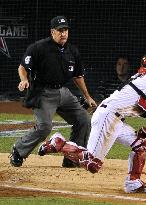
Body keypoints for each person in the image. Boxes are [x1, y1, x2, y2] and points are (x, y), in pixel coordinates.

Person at [37, 51, 146, 193]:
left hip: (116, 119)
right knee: (92, 164)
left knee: (140, 145)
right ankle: (59, 143)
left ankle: (133, 183)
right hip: (108, 117)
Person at [9, 16, 97, 168]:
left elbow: (78, 76)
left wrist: (87, 96)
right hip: (42, 93)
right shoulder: (39, 48)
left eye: (66, 30)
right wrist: (24, 80)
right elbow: (22, 67)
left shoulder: (72, 51)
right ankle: (19, 150)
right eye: (60, 30)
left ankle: (72, 156)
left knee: (83, 120)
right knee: (44, 127)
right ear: (52, 32)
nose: (63, 33)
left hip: (63, 92)